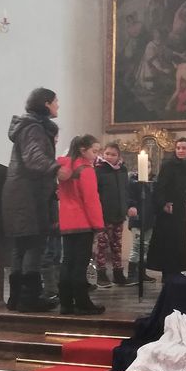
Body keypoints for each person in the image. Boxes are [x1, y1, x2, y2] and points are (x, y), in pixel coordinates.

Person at [2, 87, 61, 313]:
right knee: (34, 246)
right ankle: (29, 299)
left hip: (19, 193)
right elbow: (34, 158)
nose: (58, 105)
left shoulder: (27, 126)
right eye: (55, 102)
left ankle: (16, 298)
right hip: (29, 195)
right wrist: (57, 168)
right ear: (46, 103)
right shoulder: (34, 128)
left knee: (21, 247)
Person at [56, 135, 106, 315]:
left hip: (67, 221)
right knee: (80, 264)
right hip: (83, 222)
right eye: (94, 151)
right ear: (83, 150)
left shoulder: (65, 169)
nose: (96, 154)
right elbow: (91, 201)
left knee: (67, 262)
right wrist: (99, 226)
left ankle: (66, 303)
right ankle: (83, 302)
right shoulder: (86, 170)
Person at [147, 137, 186, 282]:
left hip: (181, 208)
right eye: (178, 148)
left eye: (183, 148)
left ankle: (176, 270)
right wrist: (165, 203)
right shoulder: (168, 165)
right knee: (168, 241)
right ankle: (168, 272)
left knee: (179, 239)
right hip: (169, 208)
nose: (180, 150)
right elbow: (161, 186)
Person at [93, 142, 133, 288]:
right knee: (102, 246)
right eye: (107, 154)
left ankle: (118, 273)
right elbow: (95, 193)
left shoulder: (122, 170)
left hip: (119, 214)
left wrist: (127, 207)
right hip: (103, 214)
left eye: (113, 154)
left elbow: (125, 191)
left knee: (117, 245)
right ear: (103, 154)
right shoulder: (98, 170)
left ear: (118, 156)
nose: (109, 157)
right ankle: (101, 274)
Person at [127, 161, 156, 283]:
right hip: (137, 218)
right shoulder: (133, 182)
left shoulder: (153, 182)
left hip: (149, 219)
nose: (146, 169)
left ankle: (142, 272)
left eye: (148, 166)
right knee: (136, 246)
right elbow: (129, 197)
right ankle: (131, 274)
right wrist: (132, 206)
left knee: (146, 246)